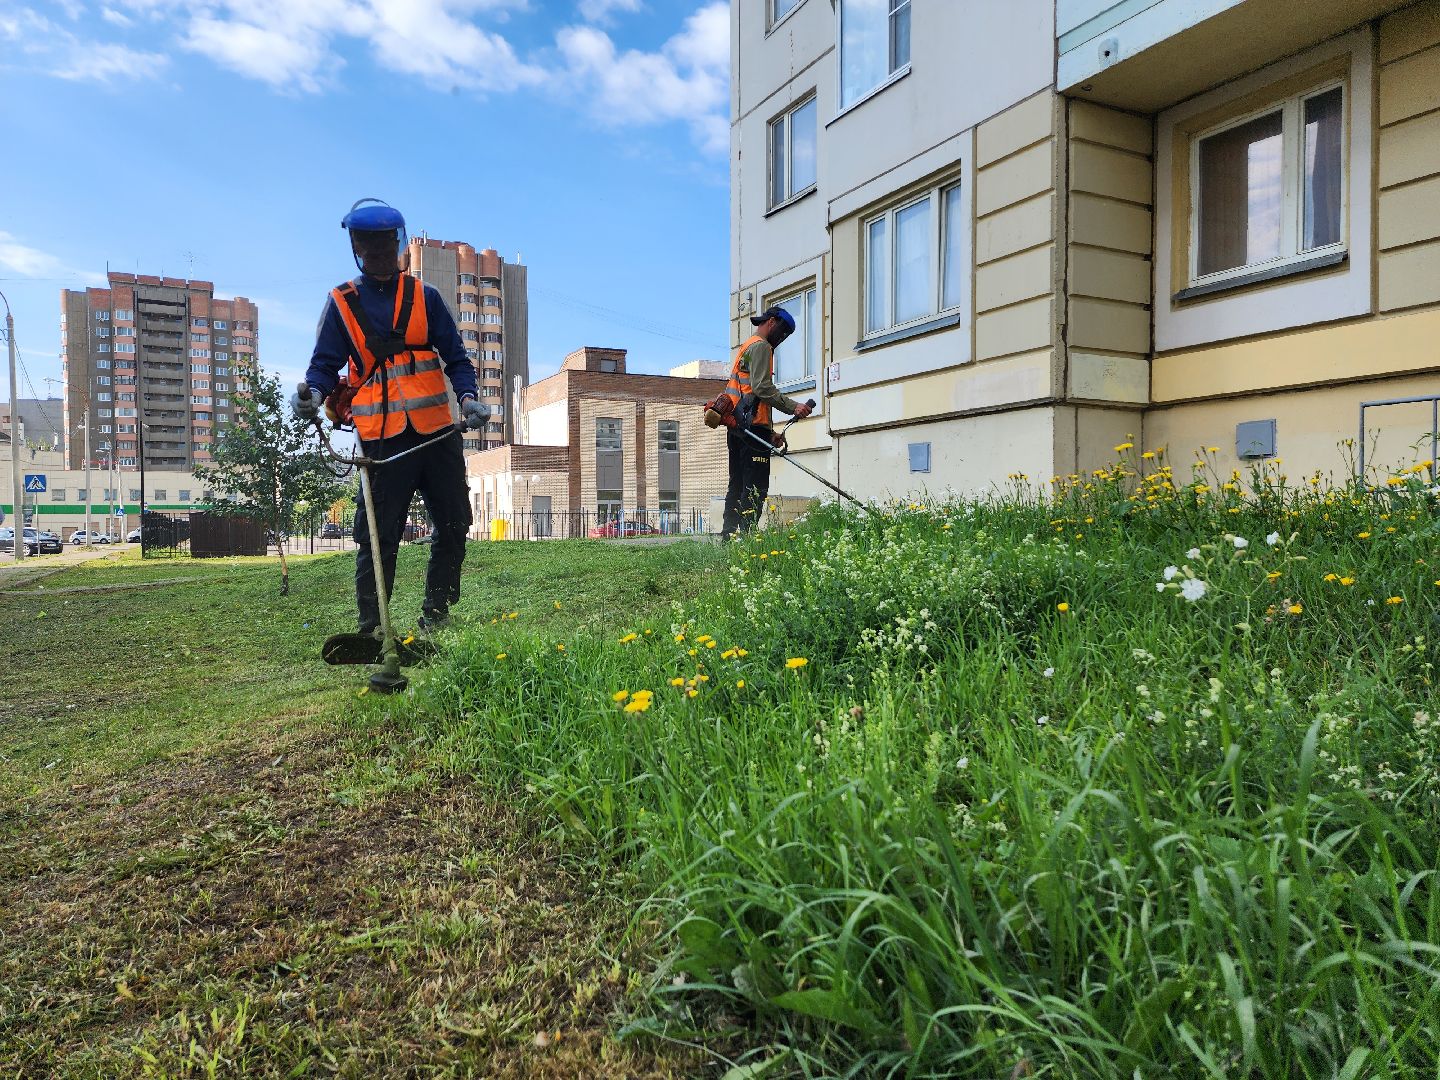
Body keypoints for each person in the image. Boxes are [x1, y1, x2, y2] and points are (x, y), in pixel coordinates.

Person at [292, 198, 488, 634]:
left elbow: (456, 358)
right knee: (377, 539)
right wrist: (312, 395)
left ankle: (436, 617)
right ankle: (373, 628)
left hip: (437, 434)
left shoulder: (426, 298)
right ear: (357, 249)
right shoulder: (342, 303)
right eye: (369, 249)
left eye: (385, 248)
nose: (379, 257)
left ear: (397, 245)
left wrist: (469, 397)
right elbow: (323, 367)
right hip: (381, 441)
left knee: (455, 525)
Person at [719, 306, 813, 539]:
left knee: (738, 484)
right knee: (755, 486)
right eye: (782, 332)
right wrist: (794, 406)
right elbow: (761, 388)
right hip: (751, 428)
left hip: (739, 426)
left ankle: (729, 536)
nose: (781, 338)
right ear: (771, 322)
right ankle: (747, 537)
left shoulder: (747, 346)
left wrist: (769, 434)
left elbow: (749, 392)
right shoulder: (762, 347)